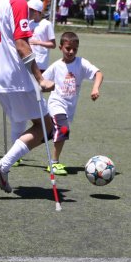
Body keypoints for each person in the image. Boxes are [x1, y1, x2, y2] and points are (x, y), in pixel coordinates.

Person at [0, 0, 55, 194]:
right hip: (16, 76)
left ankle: (5, 166)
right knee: (47, 127)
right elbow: (22, 44)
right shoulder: (17, 2)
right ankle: (3, 165)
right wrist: (40, 77)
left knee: (24, 122)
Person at [42, 31, 103, 175]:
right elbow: (42, 82)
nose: (71, 52)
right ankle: (54, 163)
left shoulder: (81, 63)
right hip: (56, 103)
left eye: (74, 49)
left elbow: (98, 73)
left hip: (69, 106)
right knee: (63, 129)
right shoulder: (56, 66)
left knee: (48, 133)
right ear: (61, 48)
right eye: (68, 48)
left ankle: (20, 149)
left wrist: (95, 88)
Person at [28, 0, 56, 72]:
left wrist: (38, 42)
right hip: (28, 61)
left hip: (40, 64)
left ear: (36, 12)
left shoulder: (47, 24)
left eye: (29, 10)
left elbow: (53, 44)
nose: (27, 12)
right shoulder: (29, 23)